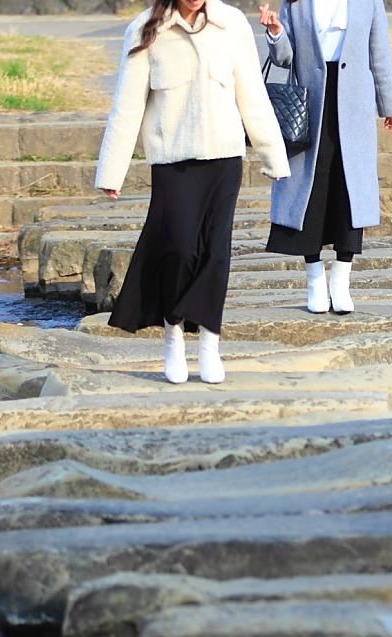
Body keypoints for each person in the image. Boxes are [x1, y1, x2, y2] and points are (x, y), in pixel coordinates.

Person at [95, 0, 290, 384]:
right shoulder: (145, 29)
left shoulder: (231, 23)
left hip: (224, 158)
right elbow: (127, 105)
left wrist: (274, 156)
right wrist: (112, 170)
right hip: (173, 160)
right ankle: (173, 334)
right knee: (180, 249)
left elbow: (252, 94)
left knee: (215, 252)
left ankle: (210, 344)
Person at [258, 0, 392, 315]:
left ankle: (341, 280)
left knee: (348, 186)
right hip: (310, 105)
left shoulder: (369, 3)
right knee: (310, 190)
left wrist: (388, 105)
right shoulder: (294, 4)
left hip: (354, 105)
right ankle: (314, 280)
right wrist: (275, 32)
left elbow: (379, 54)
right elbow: (284, 59)